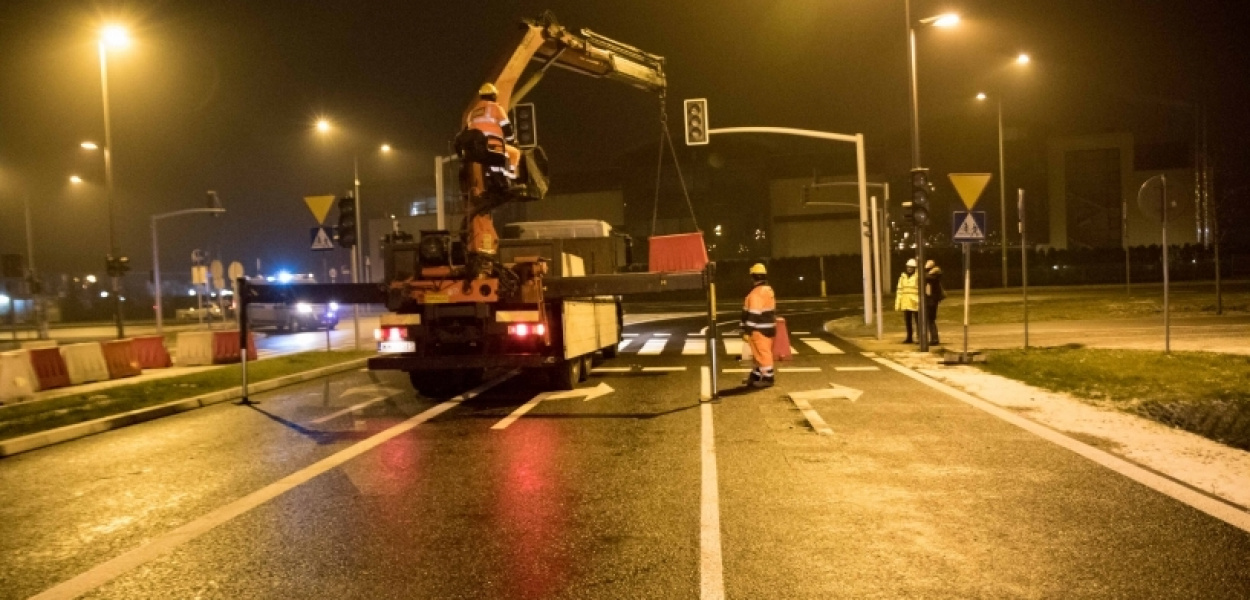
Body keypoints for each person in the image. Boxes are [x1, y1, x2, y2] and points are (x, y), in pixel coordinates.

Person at [740, 263, 777, 388]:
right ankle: (756, 375)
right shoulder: (767, 289)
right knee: (758, 354)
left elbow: (754, 313)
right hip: (767, 328)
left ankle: (768, 378)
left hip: (759, 329)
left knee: (762, 354)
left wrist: (747, 330)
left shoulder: (757, 293)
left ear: (753, 277)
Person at [894, 258, 919, 343]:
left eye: (911, 267)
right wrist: (898, 303)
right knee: (908, 322)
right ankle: (909, 337)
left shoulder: (918, 276)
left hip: (916, 302)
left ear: (915, 268)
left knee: (918, 321)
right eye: (908, 267)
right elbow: (899, 290)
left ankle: (919, 338)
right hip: (906, 302)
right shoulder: (902, 277)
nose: (909, 269)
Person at [923, 259, 945, 344]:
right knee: (930, 319)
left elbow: (925, 277)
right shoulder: (933, 274)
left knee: (930, 319)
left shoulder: (933, 275)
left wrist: (924, 269)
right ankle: (933, 338)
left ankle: (934, 339)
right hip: (931, 299)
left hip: (931, 300)